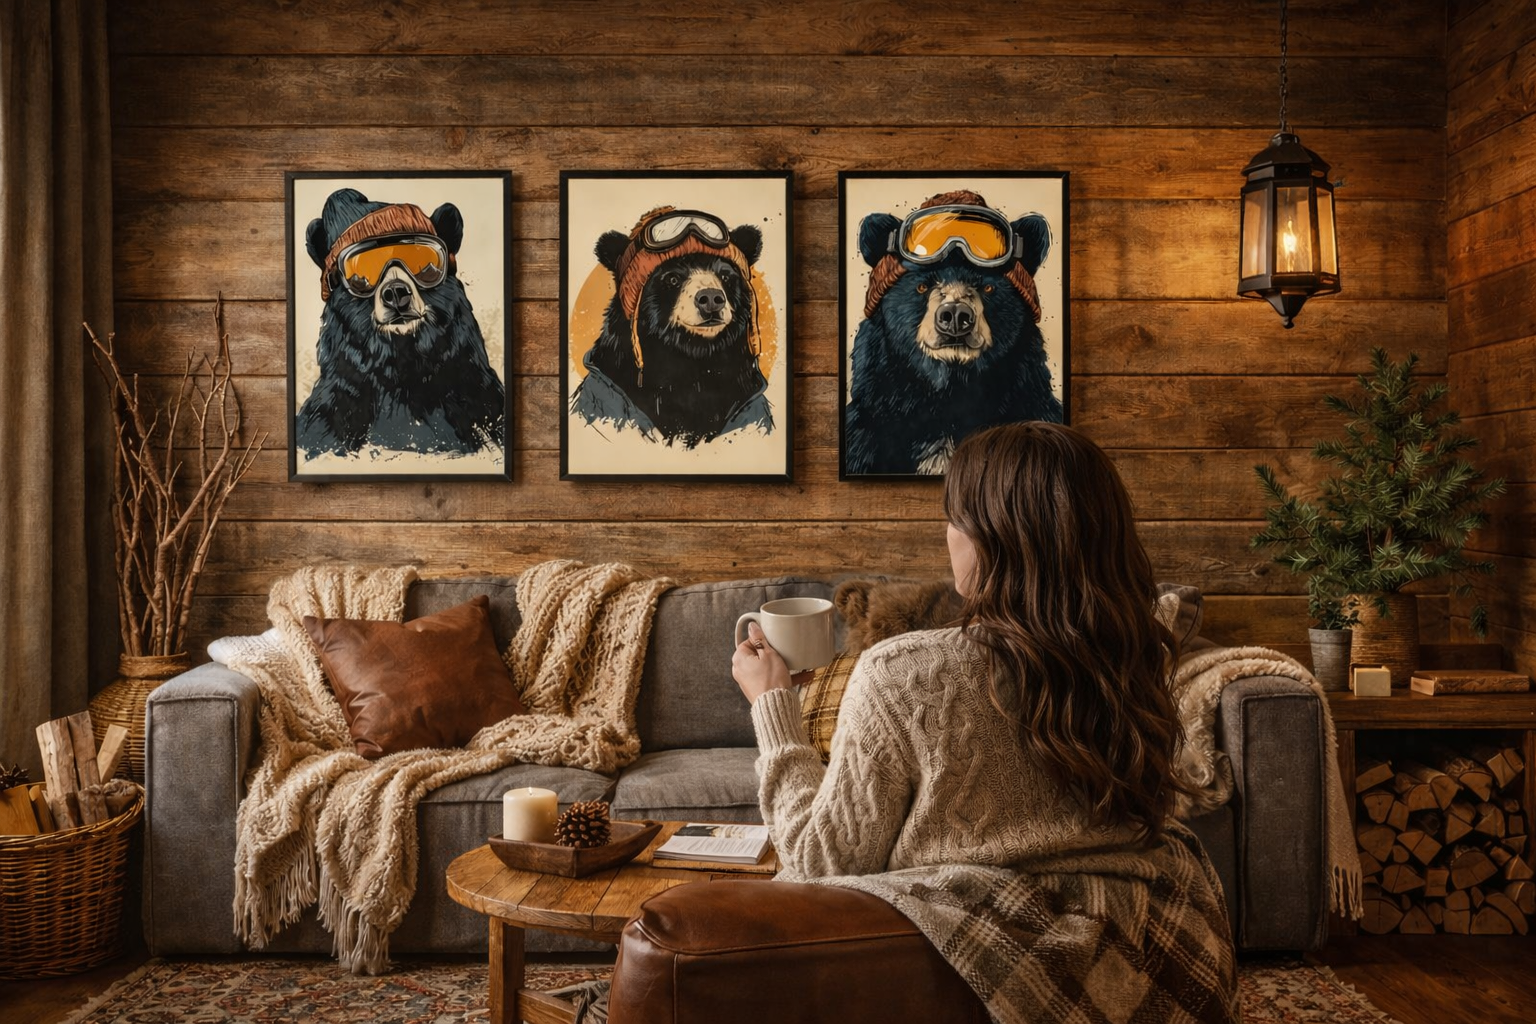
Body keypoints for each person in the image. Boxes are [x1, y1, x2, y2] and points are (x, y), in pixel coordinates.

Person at [732, 420, 1240, 1024]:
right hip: (1130, 941)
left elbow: (821, 864)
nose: (947, 536)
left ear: (992, 536)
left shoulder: (902, 672)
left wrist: (773, 709)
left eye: (954, 518)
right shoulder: (1135, 654)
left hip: (949, 978)